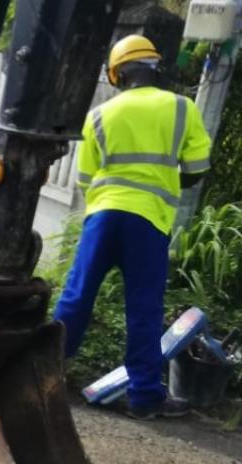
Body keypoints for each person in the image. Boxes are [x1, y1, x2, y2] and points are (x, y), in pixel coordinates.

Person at [54, 35, 212, 420]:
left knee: (76, 297)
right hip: (149, 221)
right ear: (155, 68)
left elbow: (87, 179)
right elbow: (197, 171)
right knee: (143, 308)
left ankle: (46, 372)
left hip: (103, 216)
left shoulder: (98, 116)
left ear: (116, 75)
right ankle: (145, 398)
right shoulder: (181, 108)